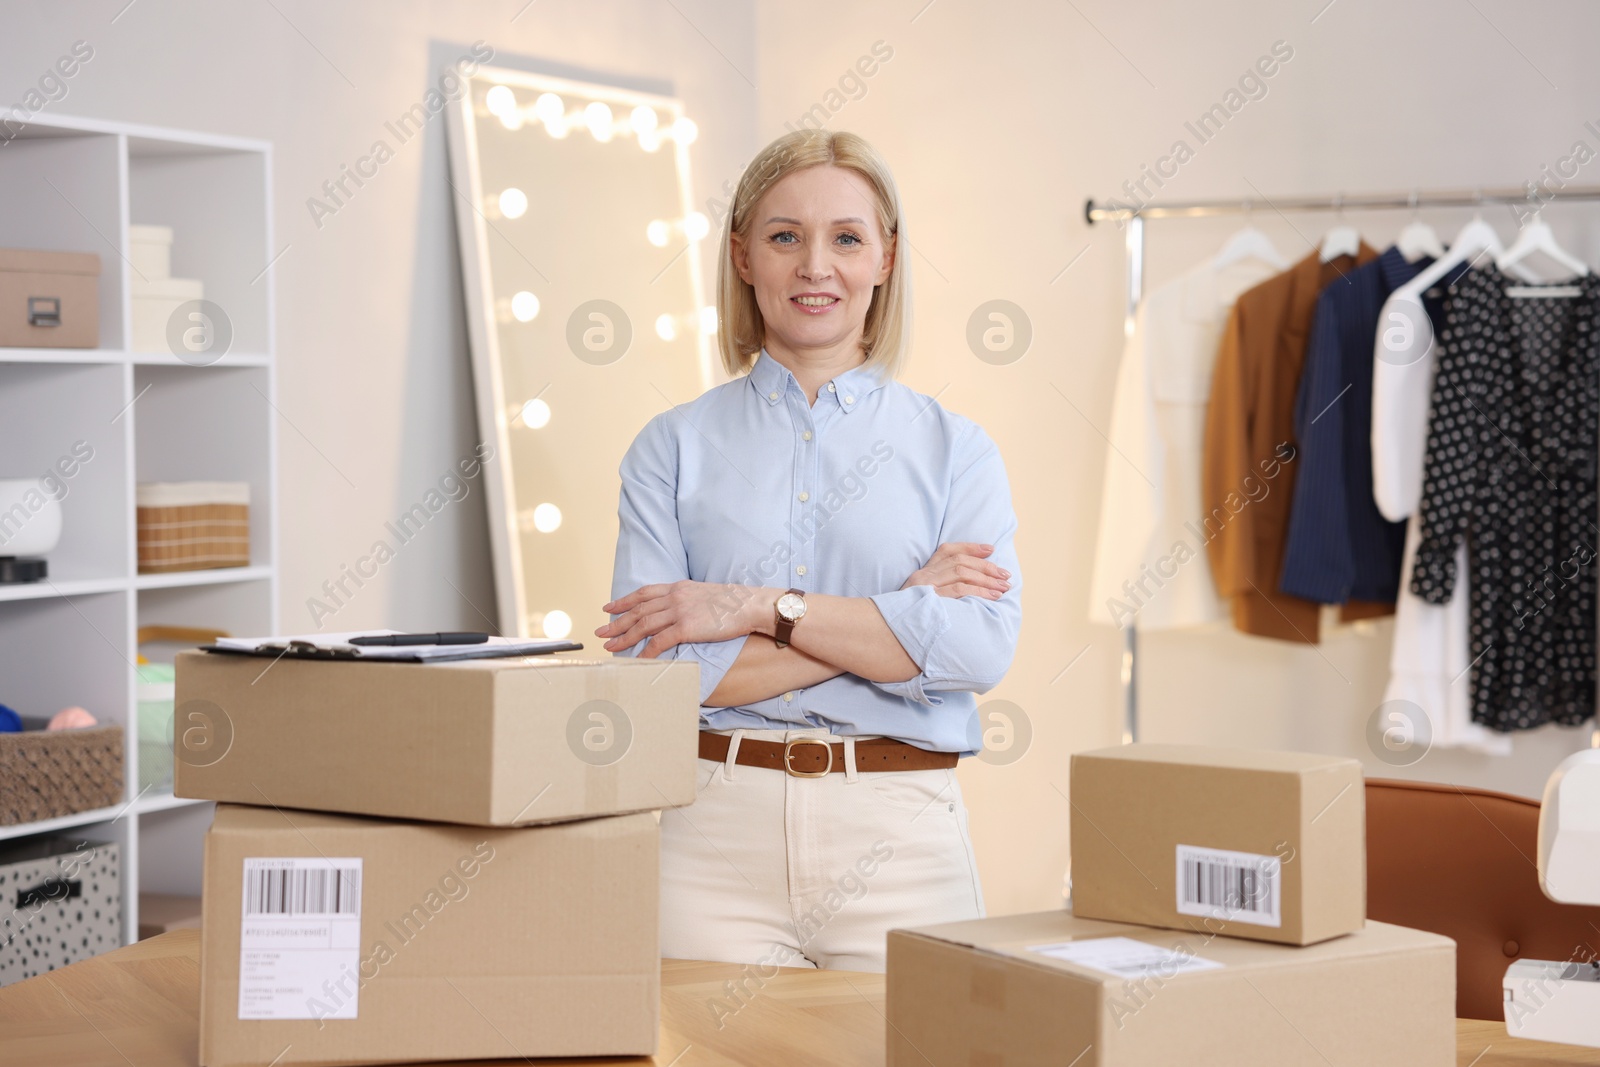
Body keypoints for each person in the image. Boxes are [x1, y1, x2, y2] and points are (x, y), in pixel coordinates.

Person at [596, 129, 1022, 973]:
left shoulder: (957, 451)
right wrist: (898, 617)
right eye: (785, 235)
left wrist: (751, 609)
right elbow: (656, 676)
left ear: (886, 258)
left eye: (847, 238)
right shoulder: (669, 448)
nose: (815, 265)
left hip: (902, 837)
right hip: (712, 834)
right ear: (744, 255)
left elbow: (978, 649)